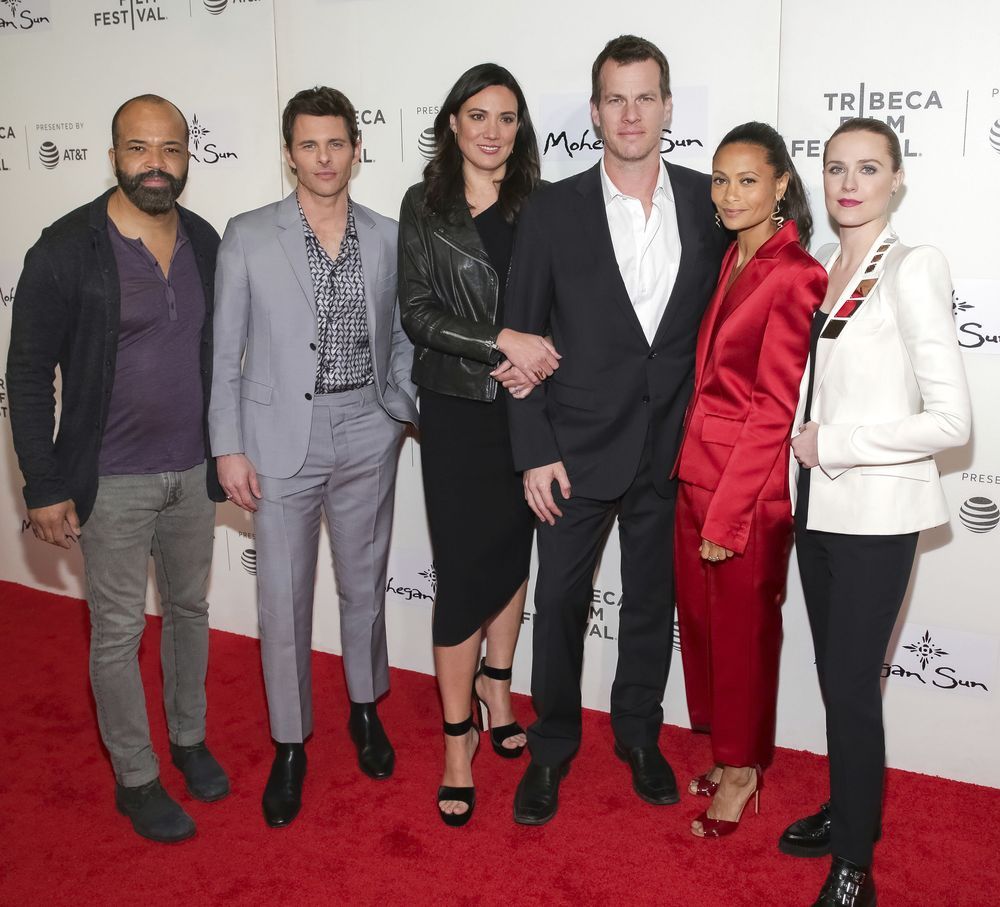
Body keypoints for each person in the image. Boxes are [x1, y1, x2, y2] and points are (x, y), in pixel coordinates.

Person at [503, 35, 727, 825]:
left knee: (649, 603)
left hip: (670, 451)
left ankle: (639, 732)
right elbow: (518, 336)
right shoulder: (551, 210)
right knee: (559, 604)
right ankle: (553, 744)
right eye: (615, 98)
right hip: (570, 451)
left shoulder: (710, 204)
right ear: (596, 111)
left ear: (668, 107)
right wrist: (533, 450)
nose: (631, 113)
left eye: (645, 97)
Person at [6, 94, 229, 843]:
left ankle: (190, 739)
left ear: (186, 157)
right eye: (139, 149)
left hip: (194, 473)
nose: (155, 165)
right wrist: (43, 483)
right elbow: (29, 370)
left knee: (192, 612)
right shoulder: (65, 249)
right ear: (113, 157)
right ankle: (136, 776)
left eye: (169, 149)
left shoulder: (203, 240)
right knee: (117, 632)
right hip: (112, 479)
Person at [209, 86, 418, 828]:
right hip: (276, 444)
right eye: (309, 144)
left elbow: (402, 334)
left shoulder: (391, 235)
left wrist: (400, 407)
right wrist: (228, 446)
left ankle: (366, 709)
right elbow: (224, 353)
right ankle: (290, 744)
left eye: (337, 143)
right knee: (283, 601)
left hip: (368, 427)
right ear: (289, 151)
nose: (324, 157)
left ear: (357, 148)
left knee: (364, 584)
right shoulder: (247, 235)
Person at [781, 118, 971, 906]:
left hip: (877, 517)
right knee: (839, 681)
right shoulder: (825, 265)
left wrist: (840, 441)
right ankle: (850, 805)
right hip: (816, 510)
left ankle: (855, 864)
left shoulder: (912, 266)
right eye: (835, 168)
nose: (848, 183)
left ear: (897, 179)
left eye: (867, 168)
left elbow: (952, 422)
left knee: (854, 684)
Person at [398, 63, 552, 827]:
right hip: (458, 411)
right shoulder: (425, 207)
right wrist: (502, 341)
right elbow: (419, 313)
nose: (493, 130)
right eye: (479, 114)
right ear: (453, 122)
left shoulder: (542, 205)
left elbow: (564, 298)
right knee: (464, 572)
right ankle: (457, 741)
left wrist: (542, 360)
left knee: (510, 555)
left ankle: (498, 683)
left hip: (527, 409)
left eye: (508, 117)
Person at [672, 122, 827, 838]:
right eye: (720, 179)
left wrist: (728, 515)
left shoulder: (797, 272)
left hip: (746, 491)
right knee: (706, 634)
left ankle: (741, 774)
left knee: (743, 639)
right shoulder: (733, 256)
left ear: (781, 187)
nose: (730, 194)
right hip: (697, 477)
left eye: (747, 180)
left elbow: (773, 406)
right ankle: (729, 750)